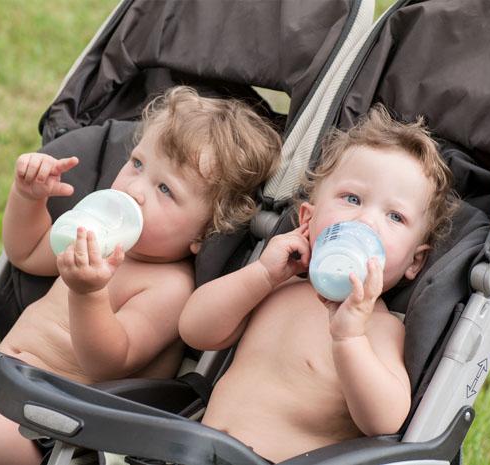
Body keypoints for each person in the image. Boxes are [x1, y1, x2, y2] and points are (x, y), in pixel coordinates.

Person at [0, 86, 281, 465]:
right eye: (137, 164)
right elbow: (27, 251)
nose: (135, 191)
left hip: (49, 429)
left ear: (204, 233)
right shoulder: (90, 234)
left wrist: (88, 292)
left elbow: (109, 360)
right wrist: (29, 199)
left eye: (164, 190)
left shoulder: (168, 287)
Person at [179, 105, 459, 463]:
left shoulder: (378, 328)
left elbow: (384, 421)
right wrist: (262, 275)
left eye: (395, 216)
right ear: (307, 219)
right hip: (197, 453)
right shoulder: (276, 289)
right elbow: (195, 330)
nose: (366, 220)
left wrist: (349, 338)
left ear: (414, 262)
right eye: (352, 199)